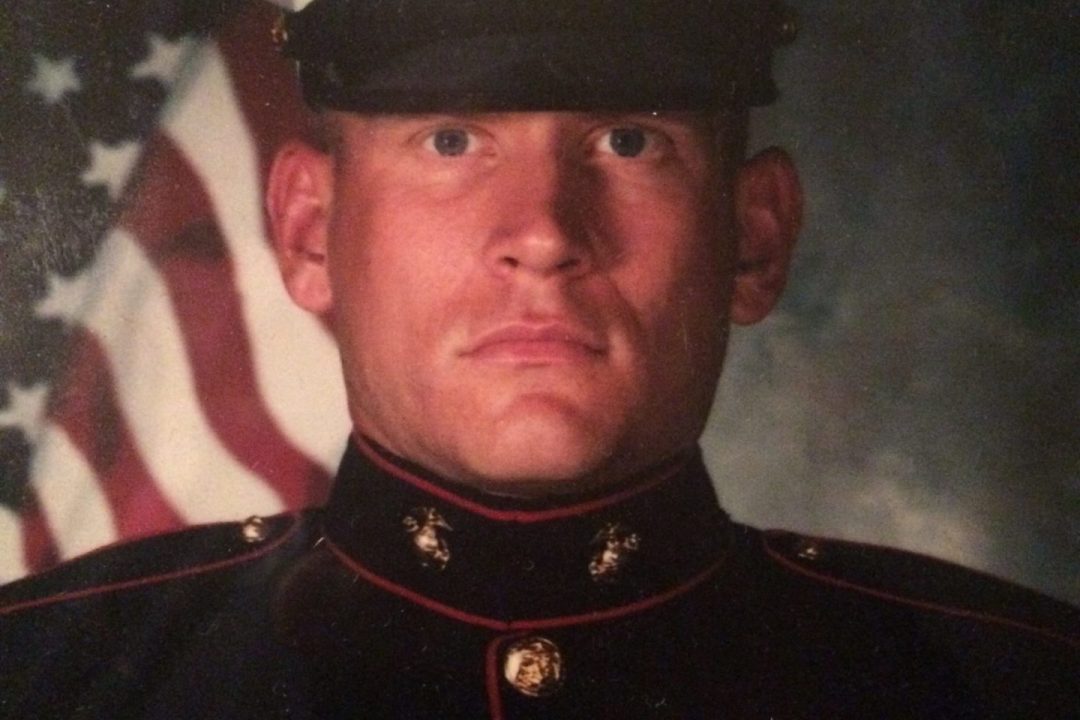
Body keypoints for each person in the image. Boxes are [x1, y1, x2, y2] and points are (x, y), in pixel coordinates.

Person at [1, 1, 1076, 717]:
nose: (547, 231)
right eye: (454, 141)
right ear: (308, 231)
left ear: (755, 236)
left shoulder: (1013, 684)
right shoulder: (49, 680)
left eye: (627, 142)